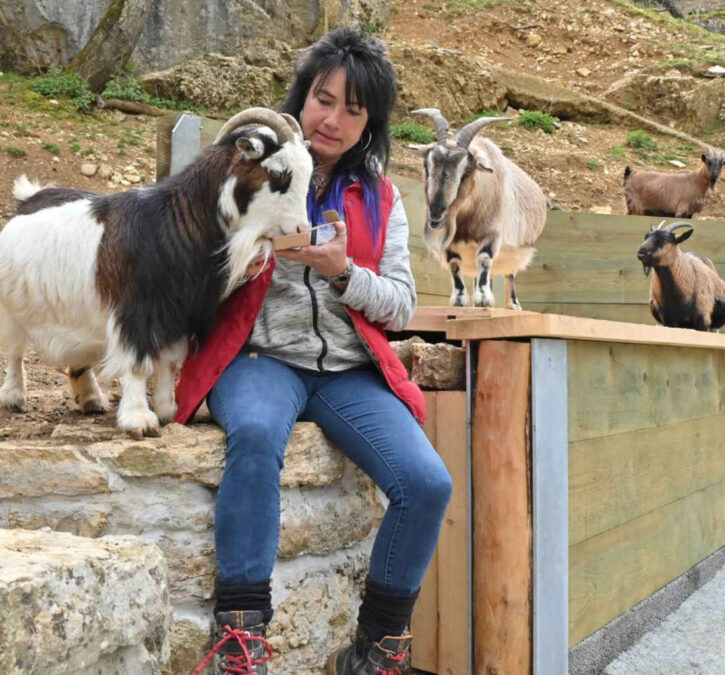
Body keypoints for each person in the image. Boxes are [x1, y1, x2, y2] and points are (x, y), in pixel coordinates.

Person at [177, 27, 453, 675]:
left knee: (426, 482)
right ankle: (239, 638)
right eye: (324, 99)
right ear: (301, 98)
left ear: (370, 124)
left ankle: (375, 647)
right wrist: (245, 257)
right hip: (259, 357)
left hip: (346, 371)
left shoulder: (380, 196)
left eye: (354, 110)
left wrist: (341, 271)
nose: (333, 119)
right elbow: (183, 270)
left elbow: (402, 306)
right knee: (252, 432)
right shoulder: (245, 167)